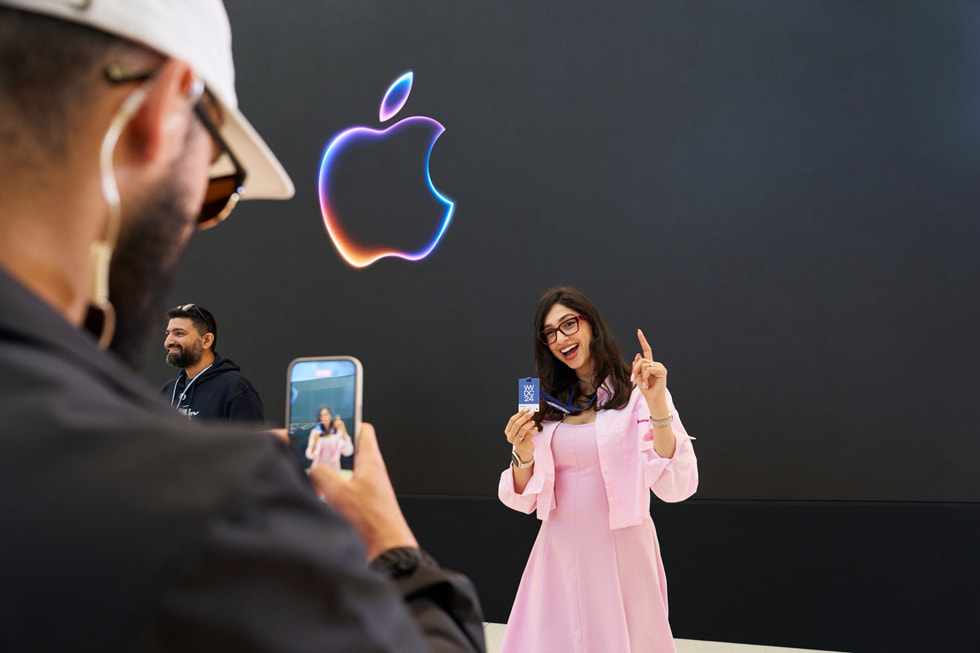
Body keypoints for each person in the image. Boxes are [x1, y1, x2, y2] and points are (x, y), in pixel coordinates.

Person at [0, 2, 485, 651]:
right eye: (216, 188)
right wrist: (393, 549)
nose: (196, 224)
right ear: (163, 109)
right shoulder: (209, 516)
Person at [498, 286, 699, 652]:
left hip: (621, 550)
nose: (561, 338)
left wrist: (657, 406)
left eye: (568, 324)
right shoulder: (542, 404)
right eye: (550, 333)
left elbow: (677, 485)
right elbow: (522, 501)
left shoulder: (639, 392)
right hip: (558, 549)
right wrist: (522, 453)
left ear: (590, 324)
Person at [161, 303, 265, 423]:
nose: (168, 342)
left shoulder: (236, 388)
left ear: (206, 340)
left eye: (179, 333)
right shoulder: (167, 390)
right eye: (168, 334)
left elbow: (252, 441)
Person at [306, 405, 355, 471]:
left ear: (331, 415)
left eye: (326, 414)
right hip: (318, 469)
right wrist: (315, 442)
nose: (324, 417)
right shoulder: (316, 432)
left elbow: (348, 452)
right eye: (322, 415)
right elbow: (309, 455)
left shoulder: (338, 431)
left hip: (334, 470)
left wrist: (343, 430)